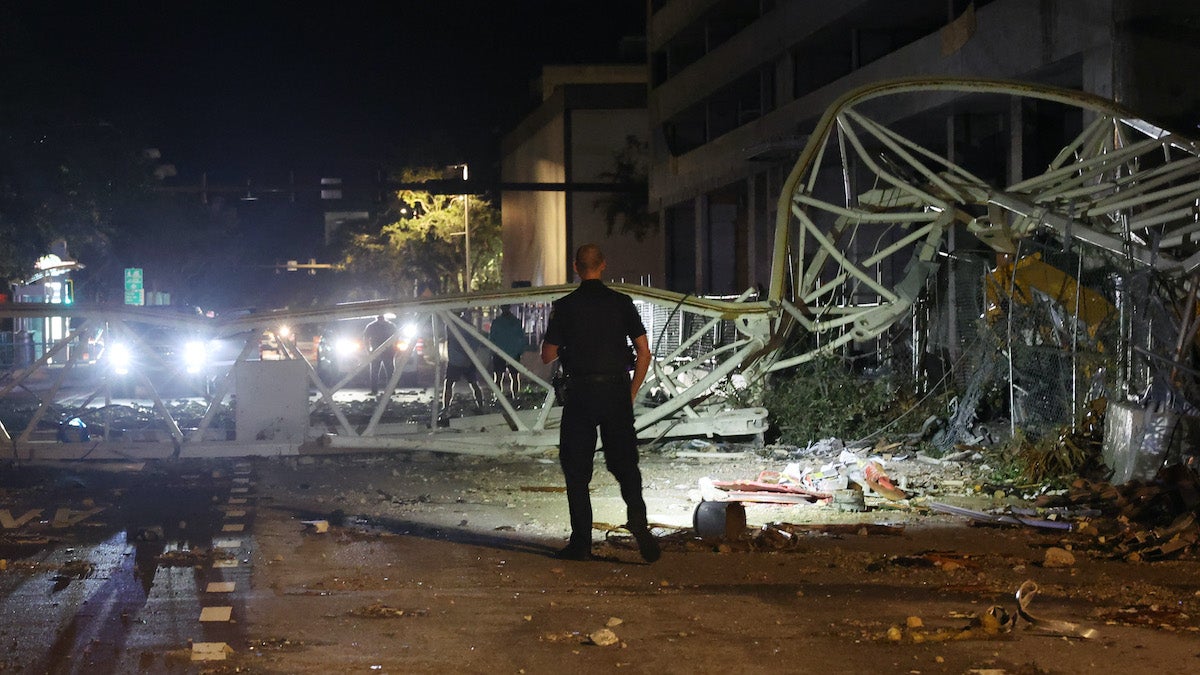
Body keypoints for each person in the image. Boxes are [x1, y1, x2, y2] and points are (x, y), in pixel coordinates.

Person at [540, 244, 658, 563]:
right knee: (625, 463)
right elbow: (644, 352)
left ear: (575, 267)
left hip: (581, 393)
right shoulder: (622, 303)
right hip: (616, 390)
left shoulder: (565, 306)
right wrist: (631, 391)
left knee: (576, 469)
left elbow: (547, 355)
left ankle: (581, 543)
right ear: (603, 265)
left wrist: (568, 345)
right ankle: (638, 520)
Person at [441, 312, 485, 418]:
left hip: (455, 360)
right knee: (474, 383)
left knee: (449, 384)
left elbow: (452, 341)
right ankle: (480, 406)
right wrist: (470, 354)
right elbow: (476, 341)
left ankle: (446, 407)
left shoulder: (450, 325)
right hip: (468, 359)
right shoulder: (468, 325)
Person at [488, 305, 527, 399]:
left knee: (498, 377)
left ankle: (497, 398)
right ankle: (515, 397)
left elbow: (492, 338)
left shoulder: (497, 322)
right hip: (513, 353)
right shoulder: (516, 321)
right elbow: (521, 338)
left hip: (499, 352)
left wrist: (492, 351)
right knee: (514, 377)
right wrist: (519, 351)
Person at [362, 315, 396, 394]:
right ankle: (390, 390)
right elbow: (366, 339)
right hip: (384, 352)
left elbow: (366, 339)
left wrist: (368, 351)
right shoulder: (390, 326)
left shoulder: (371, 326)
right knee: (387, 371)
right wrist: (368, 351)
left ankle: (377, 390)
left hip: (382, 352)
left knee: (379, 371)